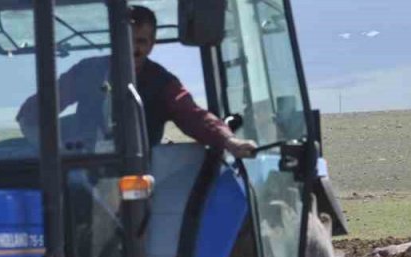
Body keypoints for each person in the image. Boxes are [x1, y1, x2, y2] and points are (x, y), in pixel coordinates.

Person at [16, 5, 258, 158]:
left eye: (141, 42)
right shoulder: (86, 72)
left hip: (140, 174)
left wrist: (229, 141)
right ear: (115, 38)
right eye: (128, 40)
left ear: (152, 44)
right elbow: (39, 108)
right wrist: (53, 143)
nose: (134, 49)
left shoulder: (163, 83)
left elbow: (193, 115)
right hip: (82, 169)